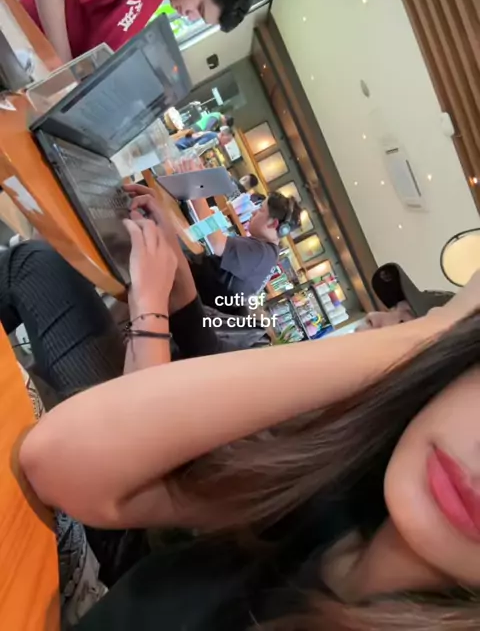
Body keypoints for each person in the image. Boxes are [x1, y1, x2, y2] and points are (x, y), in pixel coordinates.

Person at [17, 267, 480, 630]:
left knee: (34, 268)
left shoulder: (257, 277)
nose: (379, 318)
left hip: (104, 539)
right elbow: (63, 460)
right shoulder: (334, 488)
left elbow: (221, 323)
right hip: (128, 462)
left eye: (407, 318)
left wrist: (152, 309)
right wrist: (174, 290)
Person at [1, 184, 222, 625]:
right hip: (161, 455)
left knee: (39, 266)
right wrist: (177, 278)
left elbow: (141, 483)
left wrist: (150, 311)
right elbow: (211, 364)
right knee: (39, 264)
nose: (365, 324)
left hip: (126, 535)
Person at [20, 0, 255, 63]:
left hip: (42, 71)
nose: (189, 16)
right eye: (200, 8)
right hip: (24, 42)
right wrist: (61, 65)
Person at [189, 191, 301, 308]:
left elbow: (216, 243)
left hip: (192, 300)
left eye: (260, 209)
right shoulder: (268, 254)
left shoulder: (261, 253)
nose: (253, 212)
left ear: (273, 223)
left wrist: (196, 191)